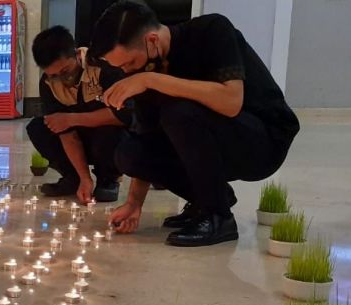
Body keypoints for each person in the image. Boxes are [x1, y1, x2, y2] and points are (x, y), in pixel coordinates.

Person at [91, 1, 299, 247]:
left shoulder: (211, 30)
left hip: (263, 140)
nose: (127, 71)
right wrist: (134, 204)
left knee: (178, 112)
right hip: (207, 137)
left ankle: (219, 217)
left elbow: (231, 101)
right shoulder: (145, 73)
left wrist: (151, 79)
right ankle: (210, 199)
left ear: (152, 41)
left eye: (129, 63)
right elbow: (147, 137)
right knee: (131, 154)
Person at [25, 25, 131, 203]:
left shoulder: (103, 67)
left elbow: (124, 115)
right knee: (39, 128)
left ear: (75, 54)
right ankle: (72, 177)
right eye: (54, 75)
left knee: (108, 129)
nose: (62, 78)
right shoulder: (48, 83)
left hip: (108, 137)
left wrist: (72, 119)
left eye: (65, 71)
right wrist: (84, 178)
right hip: (80, 137)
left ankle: (108, 178)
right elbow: (64, 131)